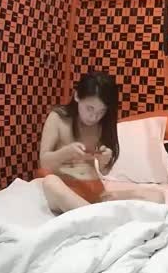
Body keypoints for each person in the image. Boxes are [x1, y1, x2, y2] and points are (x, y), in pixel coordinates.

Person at [39, 71, 119, 213]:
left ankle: (92, 215)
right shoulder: (58, 118)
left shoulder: (102, 125)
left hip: (91, 188)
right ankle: (96, 216)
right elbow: (44, 163)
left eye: (101, 111)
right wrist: (66, 152)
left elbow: (103, 171)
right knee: (50, 182)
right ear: (76, 96)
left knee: (154, 196)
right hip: (62, 188)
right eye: (90, 108)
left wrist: (104, 160)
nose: (94, 117)